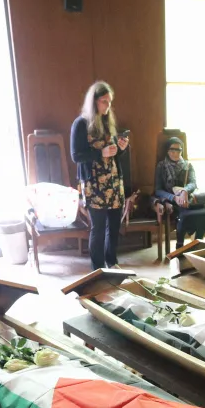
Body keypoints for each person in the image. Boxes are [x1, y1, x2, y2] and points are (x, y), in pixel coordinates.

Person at [71, 81, 129, 270]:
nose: (108, 105)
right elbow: (76, 156)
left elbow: (112, 154)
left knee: (114, 226)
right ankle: (97, 269)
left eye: (110, 101)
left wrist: (120, 149)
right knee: (98, 228)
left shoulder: (107, 123)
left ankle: (112, 262)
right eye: (104, 101)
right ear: (94, 101)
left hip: (114, 182)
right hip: (93, 185)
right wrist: (100, 153)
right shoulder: (81, 124)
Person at [154, 137, 205, 248]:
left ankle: (197, 243)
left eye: (178, 150)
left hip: (188, 200)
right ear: (167, 151)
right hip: (172, 202)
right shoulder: (161, 166)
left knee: (204, 214)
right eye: (172, 150)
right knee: (184, 215)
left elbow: (193, 183)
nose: (175, 153)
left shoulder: (188, 165)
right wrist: (174, 198)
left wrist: (185, 191)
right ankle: (180, 245)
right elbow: (158, 190)